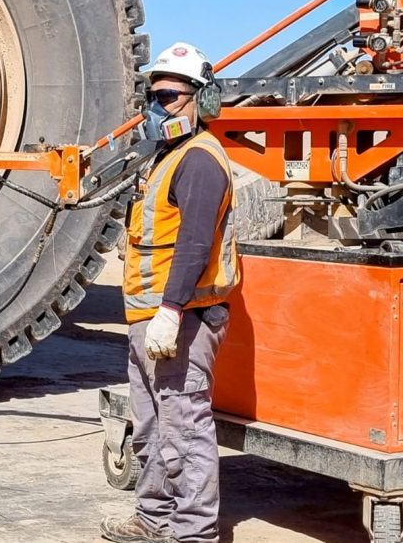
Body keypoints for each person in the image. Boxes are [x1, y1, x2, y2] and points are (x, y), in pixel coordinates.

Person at [100, 43, 237, 543]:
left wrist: (171, 311)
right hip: (149, 318)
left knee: (185, 429)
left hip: (182, 320)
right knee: (152, 428)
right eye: (154, 96)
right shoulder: (165, 158)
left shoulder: (199, 161)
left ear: (202, 99)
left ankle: (194, 533)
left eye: (171, 96)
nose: (159, 107)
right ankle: (153, 519)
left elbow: (196, 243)